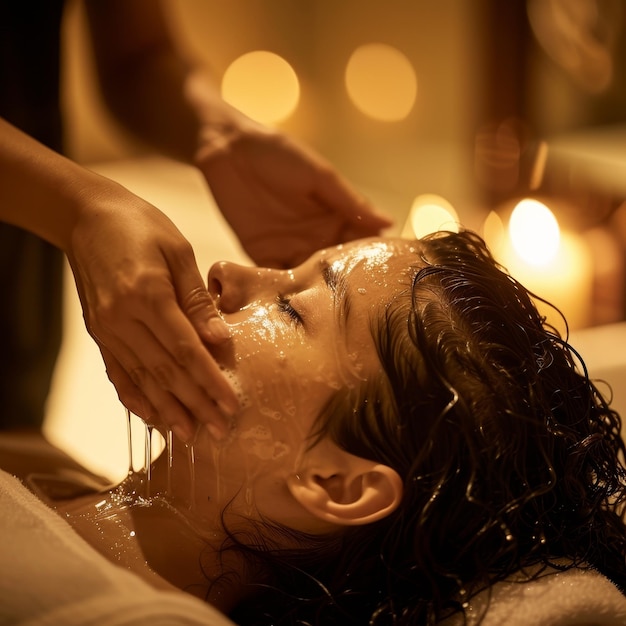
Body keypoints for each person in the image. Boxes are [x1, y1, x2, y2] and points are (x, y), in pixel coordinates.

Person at [2, 230, 626, 625]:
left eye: (291, 309)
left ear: (334, 482)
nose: (227, 274)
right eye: (284, 271)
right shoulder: (39, 465)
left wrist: (78, 209)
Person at [0, 1, 390, 438]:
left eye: (292, 311)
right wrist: (73, 208)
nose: (221, 270)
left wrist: (220, 133)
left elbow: (137, 56)